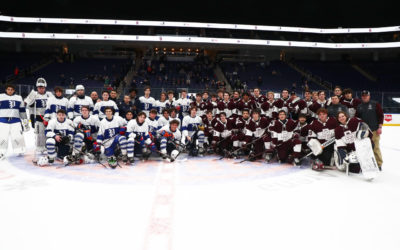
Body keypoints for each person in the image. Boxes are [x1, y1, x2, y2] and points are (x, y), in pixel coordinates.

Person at [24, 78, 54, 154]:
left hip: (48, 117)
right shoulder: (34, 94)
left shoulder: (49, 95)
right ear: (37, 87)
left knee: (49, 132)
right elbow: (28, 106)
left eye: (42, 87)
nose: (41, 89)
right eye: (39, 87)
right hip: (38, 117)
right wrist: (32, 118)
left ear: (45, 87)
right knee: (39, 134)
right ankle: (40, 148)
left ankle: (49, 146)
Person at [356, 90, 384, 170]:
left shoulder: (375, 104)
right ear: (361, 97)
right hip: (364, 131)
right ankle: (366, 163)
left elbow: (381, 116)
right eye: (363, 96)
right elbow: (357, 118)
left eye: (366, 95)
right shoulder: (359, 106)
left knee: (375, 147)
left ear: (369, 96)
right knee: (364, 148)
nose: (365, 97)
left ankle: (378, 164)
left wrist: (380, 127)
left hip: (374, 130)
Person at [0, 84, 29, 160]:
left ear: (14, 90)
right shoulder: (1, 96)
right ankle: (1, 152)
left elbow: (22, 110)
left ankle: (20, 150)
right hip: (3, 121)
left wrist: (25, 121)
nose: (10, 91)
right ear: (6, 90)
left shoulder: (19, 98)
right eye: (8, 89)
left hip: (15, 121)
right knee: (2, 137)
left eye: (11, 89)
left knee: (17, 137)